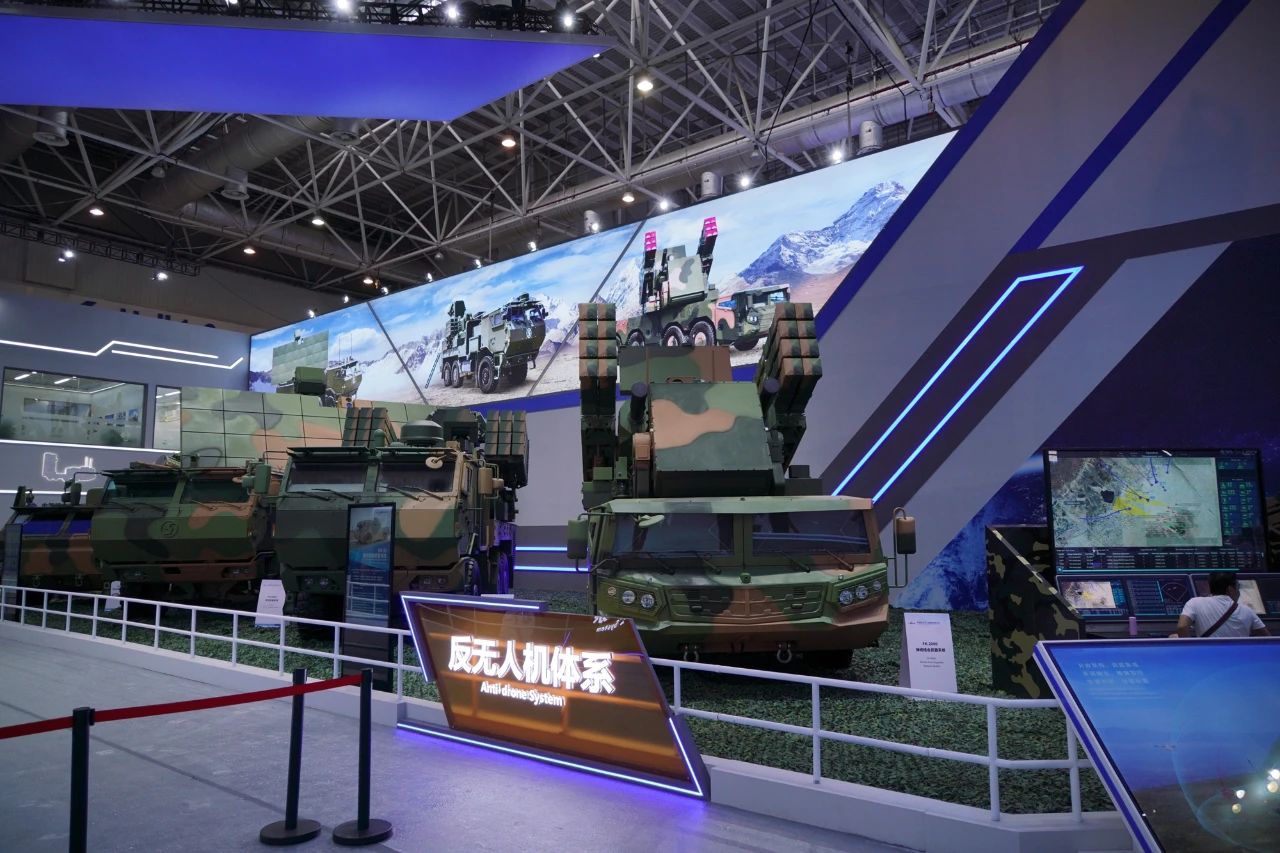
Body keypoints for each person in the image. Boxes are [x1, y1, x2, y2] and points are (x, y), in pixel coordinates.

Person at [1175, 571, 1270, 638]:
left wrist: (1189, 646)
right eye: (1238, 587)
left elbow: (1182, 626)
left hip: (1207, 657)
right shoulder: (1247, 611)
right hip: (1239, 658)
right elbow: (1267, 638)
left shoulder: (1195, 603)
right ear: (1230, 589)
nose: (1238, 592)